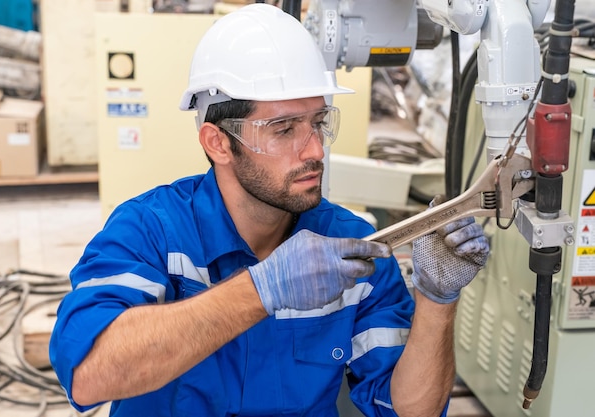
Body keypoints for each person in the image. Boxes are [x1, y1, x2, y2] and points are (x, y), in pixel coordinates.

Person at [49, 3, 489, 417]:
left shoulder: (354, 248)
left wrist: (437, 300)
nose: (315, 149)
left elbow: (411, 409)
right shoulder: (151, 231)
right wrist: (261, 290)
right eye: (283, 130)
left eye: (318, 123)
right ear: (217, 142)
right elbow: (88, 376)